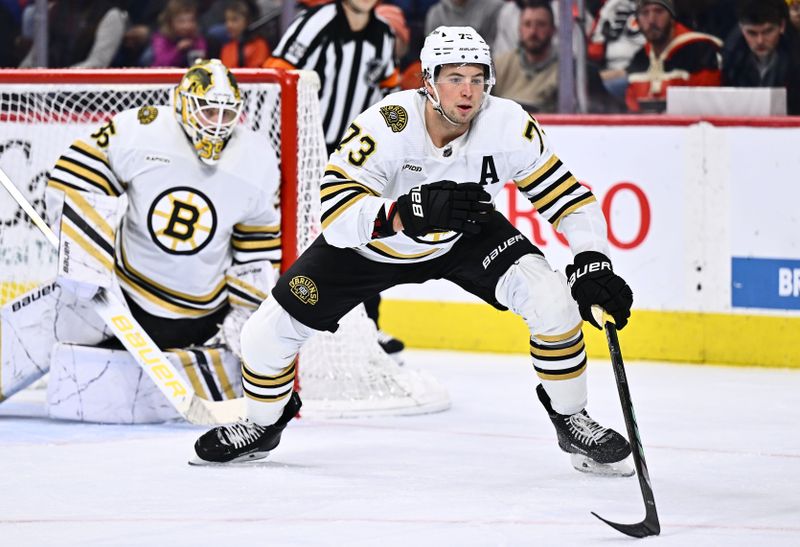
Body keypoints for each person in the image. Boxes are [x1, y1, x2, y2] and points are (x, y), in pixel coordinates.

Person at [192, 26, 635, 477]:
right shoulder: (386, 126)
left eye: (478, 78)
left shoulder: (509, 125)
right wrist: (405, 214)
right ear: (427, 80)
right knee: (264, 335)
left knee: (554, 301)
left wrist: (591, 259)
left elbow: (568, 198)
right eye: (454, 77)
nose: (468, 91)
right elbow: (334, 213)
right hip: (372, 248)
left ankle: (570, 418)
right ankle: (263, 425)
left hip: (467, 233)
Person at [0, 60, 282, 423]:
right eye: (208, 110)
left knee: (90, 394)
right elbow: (78, 171)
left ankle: (194, 363)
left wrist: (248, 314)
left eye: (227, 114)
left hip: (199, 320)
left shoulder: (256, 159)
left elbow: (256, 244)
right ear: (183, 104)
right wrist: (85, 254)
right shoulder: (144, 128)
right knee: (30, 329)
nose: (216, 123)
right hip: (119, 299)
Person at [264, 0, 404, 356]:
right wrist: (272, 147)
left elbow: (388, 94)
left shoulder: (382, 34)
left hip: (352, 157)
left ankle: (370, 327)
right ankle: (269, 319)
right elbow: (272, 80)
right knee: (282, 236)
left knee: (364, 236)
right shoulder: (315, 24)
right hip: (300, 151)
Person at [625, 0, 723, 112]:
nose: (651, 20)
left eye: (659, 11)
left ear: (672, 17)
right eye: (644, 13)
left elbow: (706, 107)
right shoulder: (639, 58)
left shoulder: (700, 49)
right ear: (637, 21)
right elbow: (633, 111)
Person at [722, 0, 800, 115]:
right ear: (741, 29)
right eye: (752, 33)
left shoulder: (796, 56)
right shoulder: (730, 57)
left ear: (782, 26)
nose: (760, 41)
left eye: (768, 31)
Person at [18, 0, 128, 68]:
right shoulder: (55, 10)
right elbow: (33, 57)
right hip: (46, 87)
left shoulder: (112, 15)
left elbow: (96, 64)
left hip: (82, 93)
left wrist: (59, 80)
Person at [493, 0, 559, 112]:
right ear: (519, 30)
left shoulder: (565, 72)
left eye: (541, 24)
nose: (533, 32)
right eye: (527, 24)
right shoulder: (499, 66)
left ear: (553, 30)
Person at [150, 0, 207, 67]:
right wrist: (178, 50)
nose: (187, 26)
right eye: (181, 21)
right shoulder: (161, 39)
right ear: (170, 22)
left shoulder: (198, 39)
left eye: (191, 20)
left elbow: (201, 61)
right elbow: (162, 63)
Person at [219, 0, 270, 68]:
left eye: (234, 20)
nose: (229, 25)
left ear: (247, 21)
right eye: (227, 20)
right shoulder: (227, 48)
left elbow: (257, 73)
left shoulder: (259, 45)